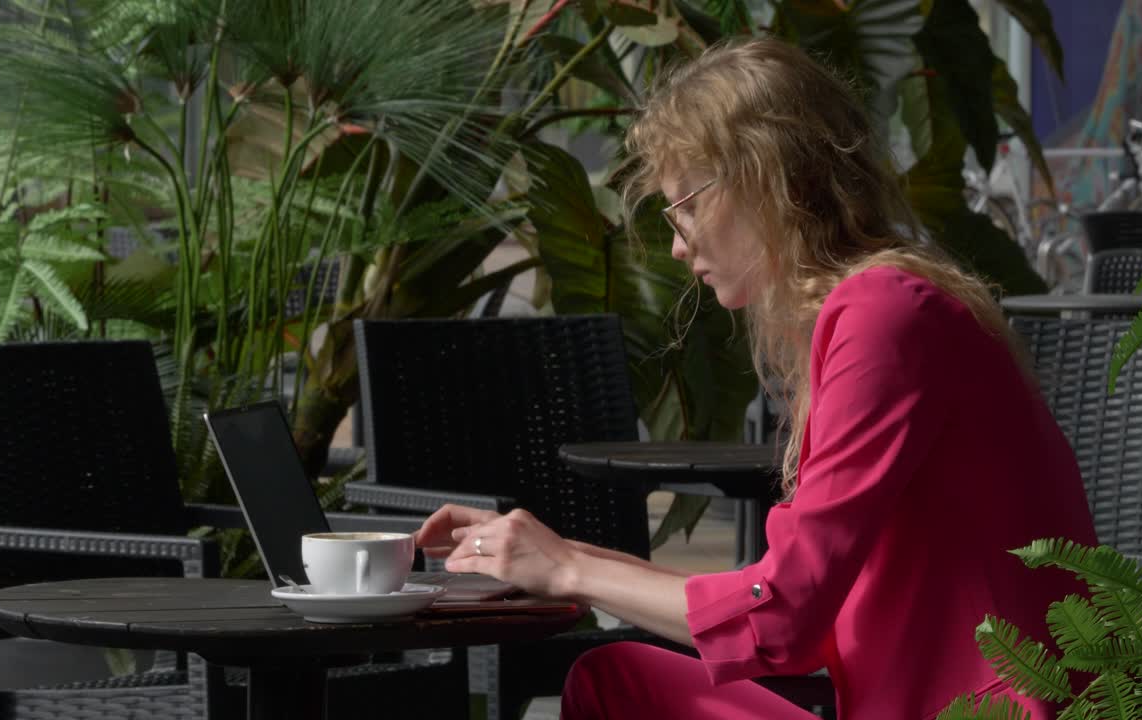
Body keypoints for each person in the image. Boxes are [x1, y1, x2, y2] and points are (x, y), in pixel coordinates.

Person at [415, 37, 1096, 720]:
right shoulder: (883, 306)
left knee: (617, 685)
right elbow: (788, 605)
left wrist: (569, 570)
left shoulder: (885, 316)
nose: (679, 244)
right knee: (616, 678)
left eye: (684, 205)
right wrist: (560, 556)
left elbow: (783, 621)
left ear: (762, 181)